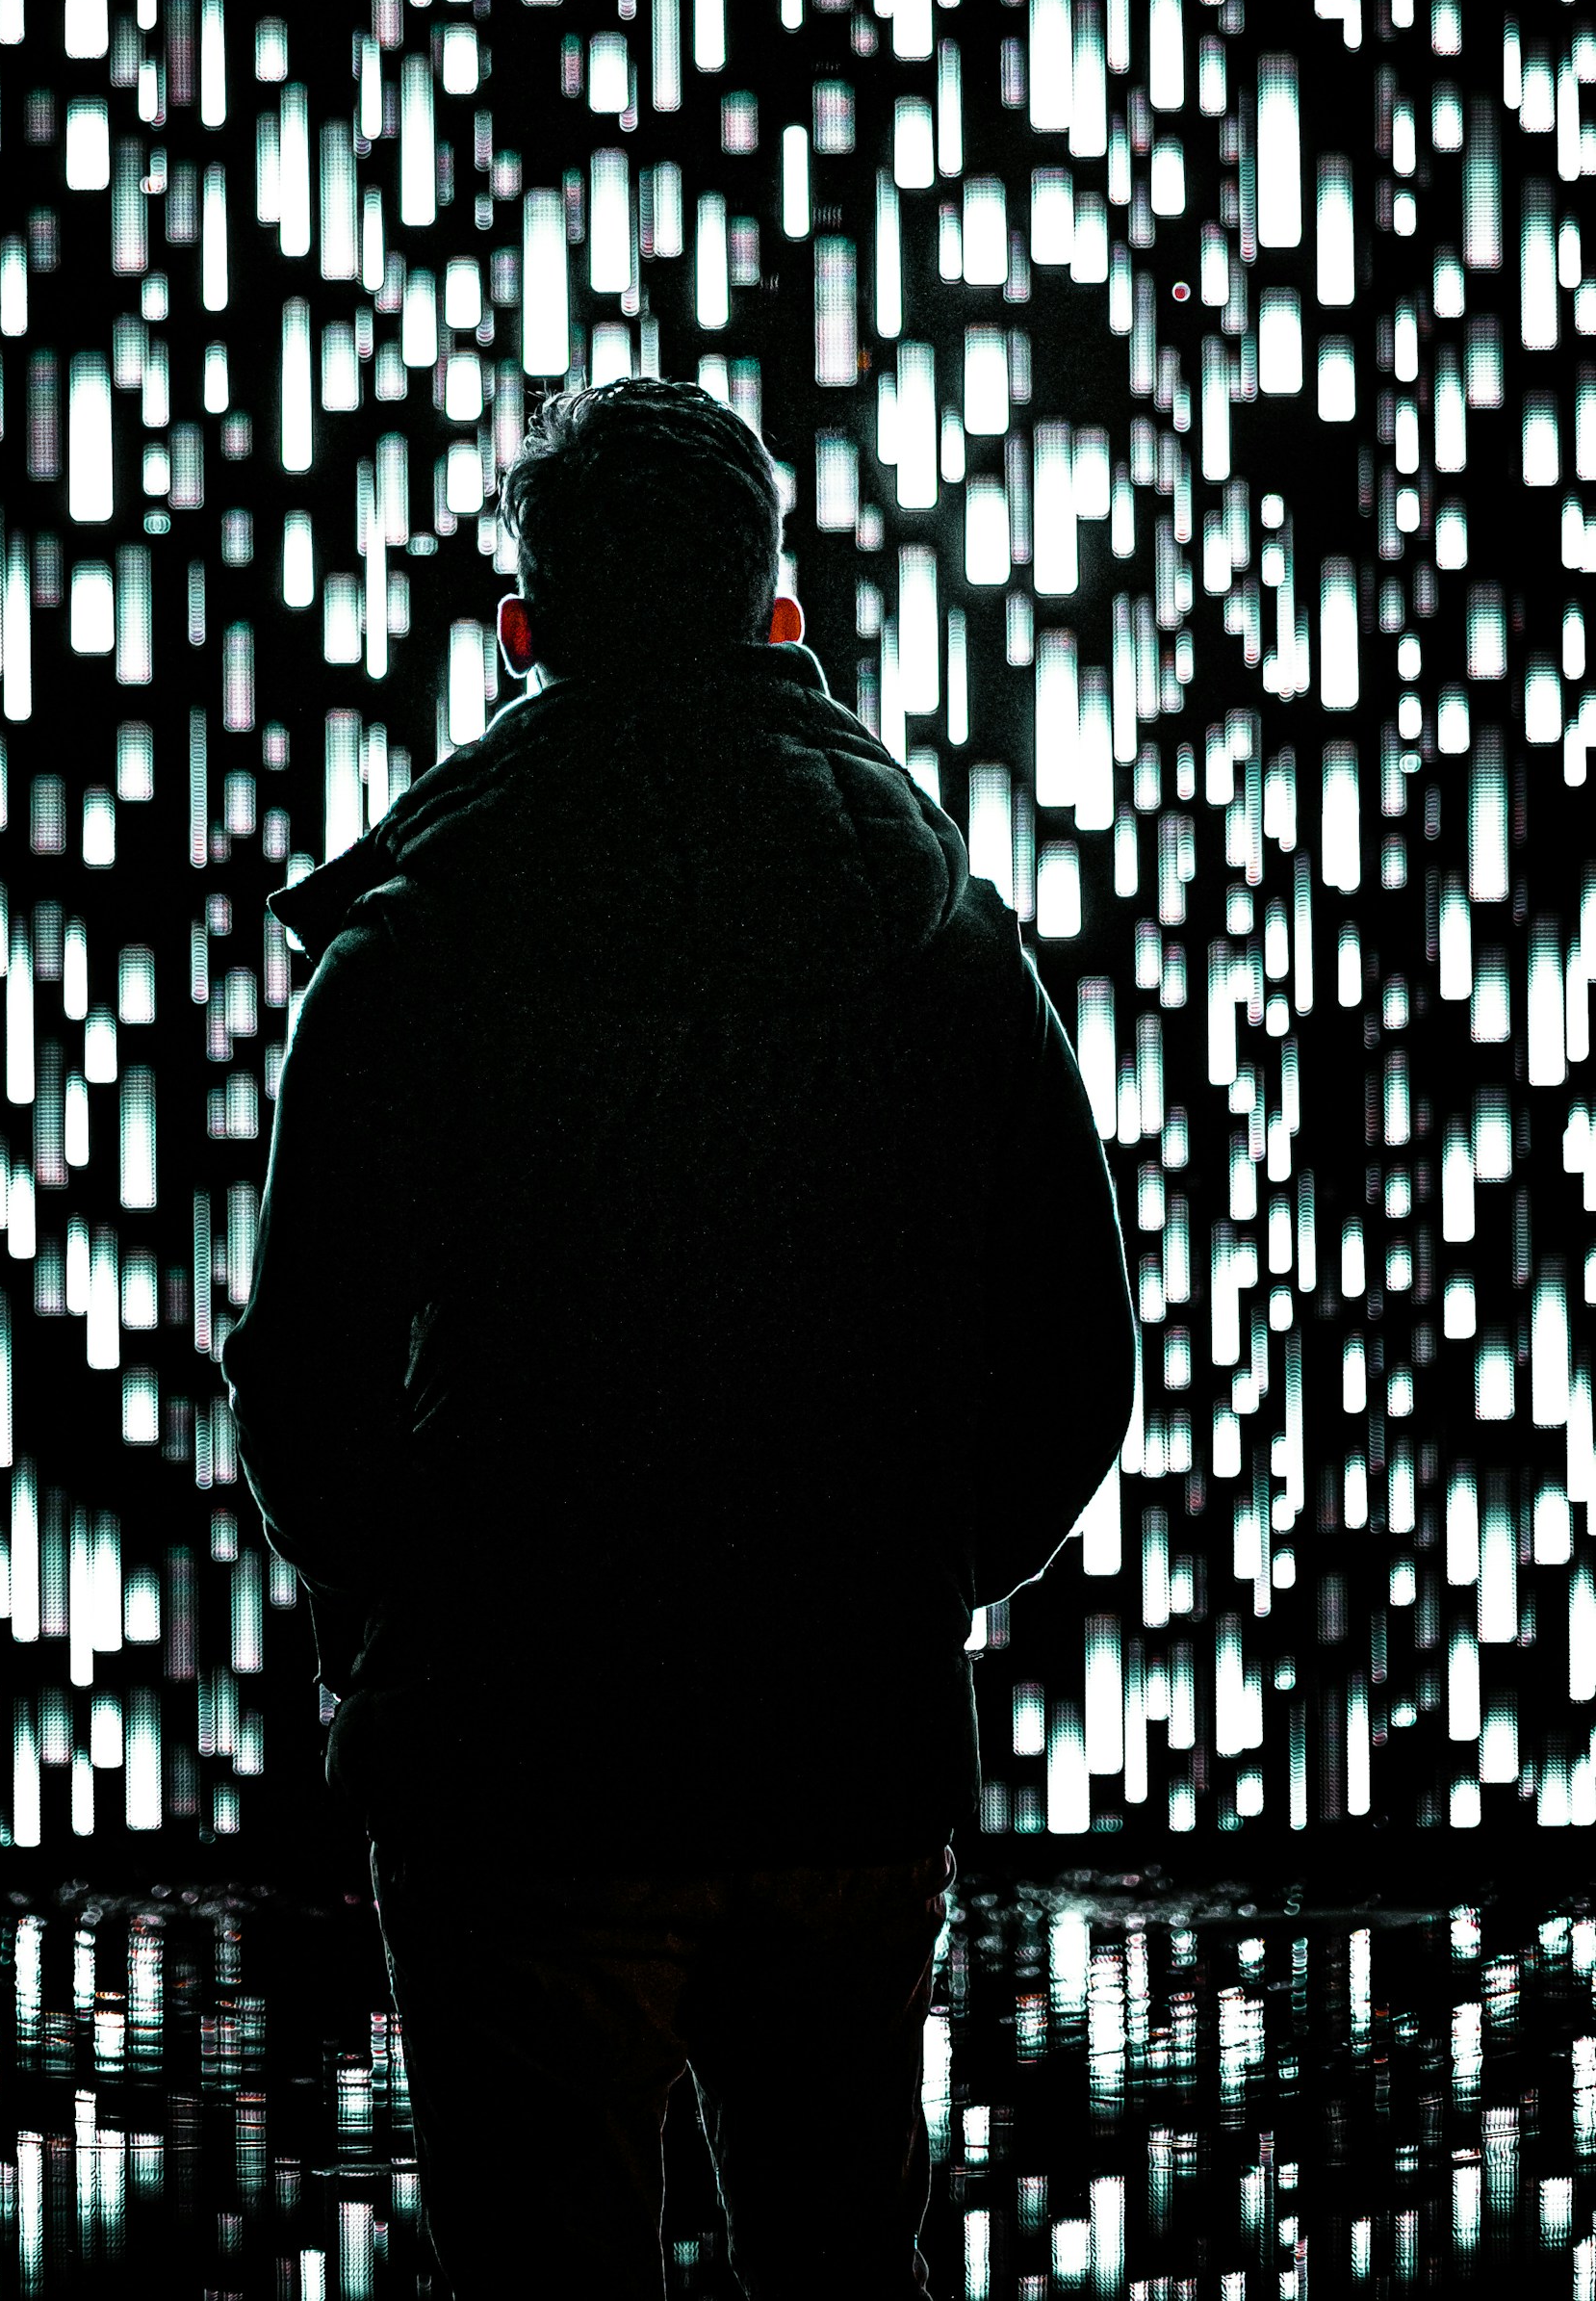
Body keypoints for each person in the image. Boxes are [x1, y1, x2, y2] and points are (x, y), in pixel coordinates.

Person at [221, 376, 1135, 2301]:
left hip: (520, 1760)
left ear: (524, 635)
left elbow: (303, 1371)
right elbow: (1072, 1341)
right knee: (835, 2260)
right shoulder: (936, 930)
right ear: (775, 617)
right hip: (844, 1741)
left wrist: (414, 1618)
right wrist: (917, 1574)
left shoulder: (412, 945)